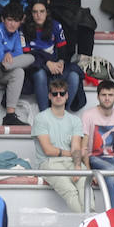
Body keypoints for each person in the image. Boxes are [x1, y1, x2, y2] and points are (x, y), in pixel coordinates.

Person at [31, 76, 86, 210]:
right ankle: (85, 225)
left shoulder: (75, 120)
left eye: (62, 93)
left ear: (67, 96)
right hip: (48, 162)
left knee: (86, 188)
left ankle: (91, 225)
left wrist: (78, 166)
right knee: (70, 191)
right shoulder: (41, 118)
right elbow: (48, 150)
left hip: (72, 162)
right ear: (49, 96)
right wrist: (72, 154)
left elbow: (76, 146)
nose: (58, 96)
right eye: (55, 93)